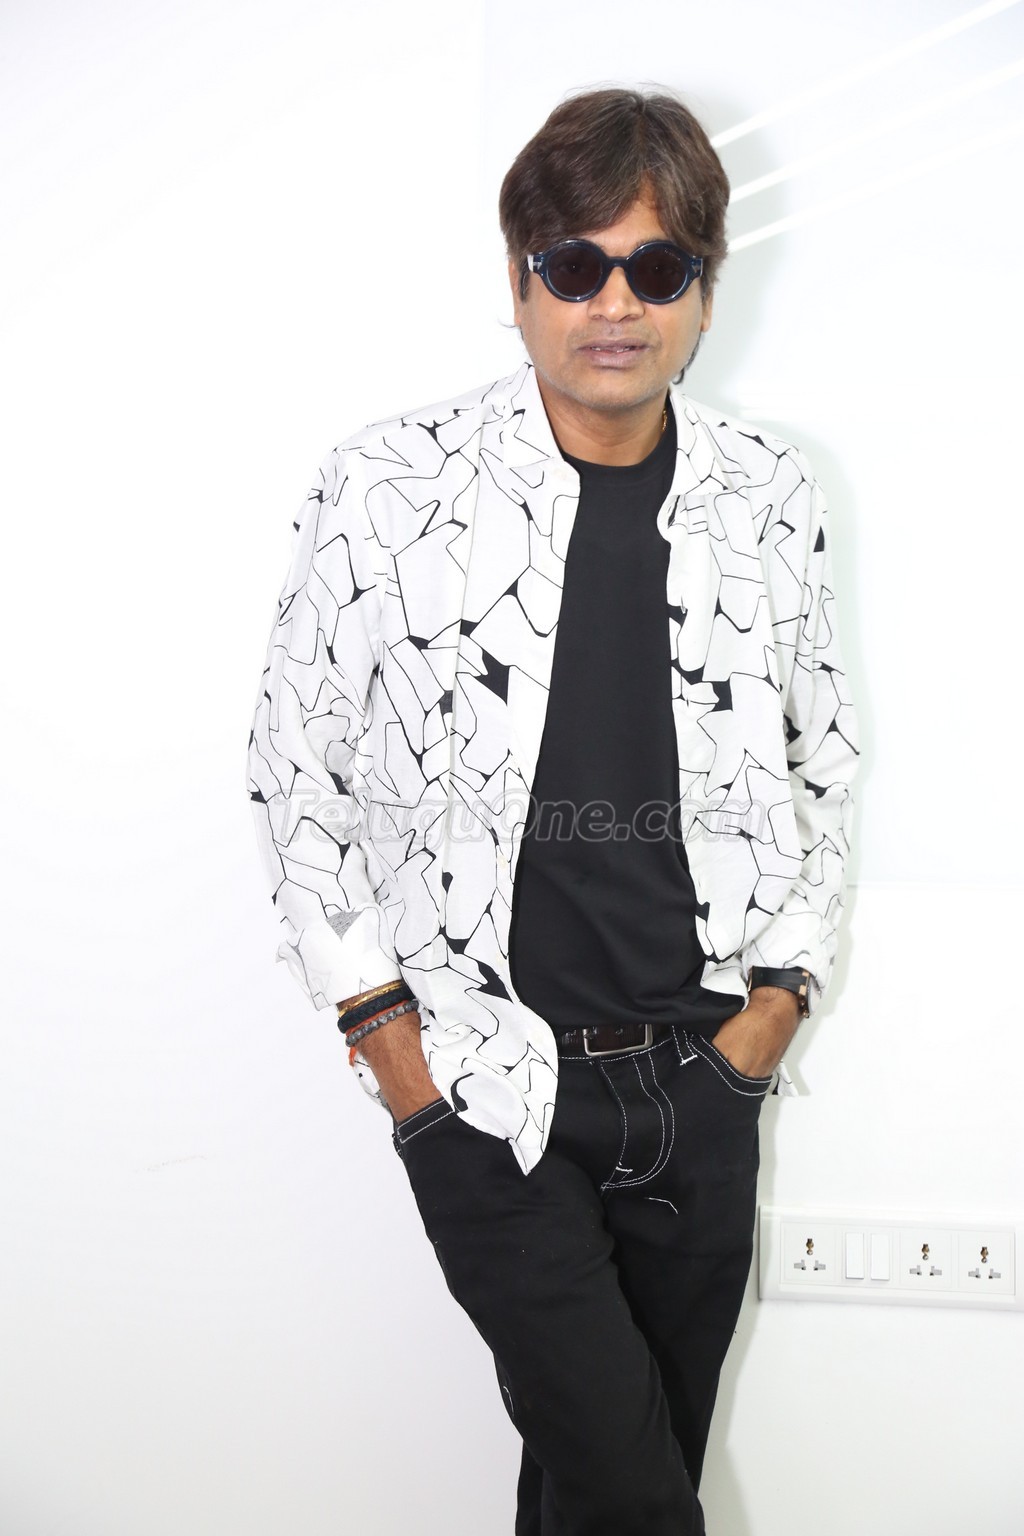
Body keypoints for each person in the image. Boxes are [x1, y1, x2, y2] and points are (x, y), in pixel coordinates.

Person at [246, 85, 857, 1536]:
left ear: (704, 289)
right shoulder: (389, 488)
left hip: (702, 1089)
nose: (616, 304)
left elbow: (823, 759)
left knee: (600, 1493)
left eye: (658, 267)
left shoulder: (771, 494)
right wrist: (391, 1048)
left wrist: (774, 1010)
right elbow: (292, 769)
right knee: (639, 1503)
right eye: (575, 265)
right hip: (487, 1088)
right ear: (519, 280)